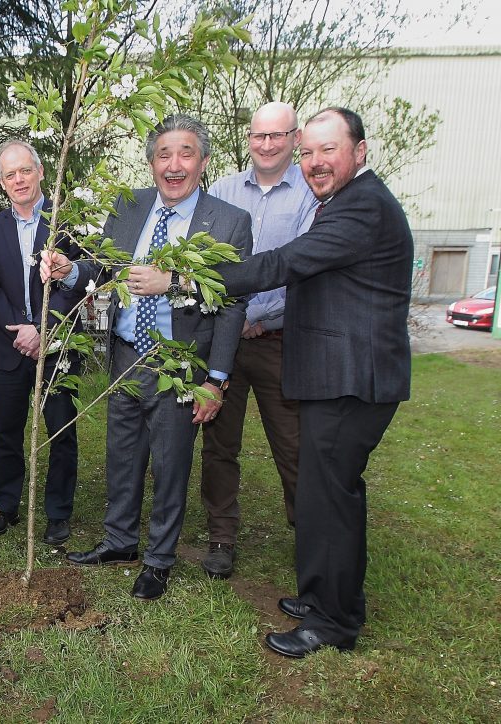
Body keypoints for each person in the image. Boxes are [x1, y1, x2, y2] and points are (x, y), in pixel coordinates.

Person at [152, 108, 413, 657]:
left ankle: (331, 621)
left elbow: (283, 264)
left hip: (350, 381)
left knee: (328, 498)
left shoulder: (361, 208)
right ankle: (332, 599)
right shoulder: (345, 202)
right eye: (312, 152)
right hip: (336, 377)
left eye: (328, 150)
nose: (316, 162)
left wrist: (182, 277)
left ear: (359, 152)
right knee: (330, 495)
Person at [41, 114, 252, 600]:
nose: (173, 165)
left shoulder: (227, 222)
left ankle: (158, 559)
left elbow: (231, 300)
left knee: (170, 462)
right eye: (163, 155)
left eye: (185, 154)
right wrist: (72, 269)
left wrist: (215, 378)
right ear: (151, 161)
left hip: (179, 366)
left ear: (203, 161)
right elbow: (106, 269)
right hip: (126, 356)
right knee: (123, 454)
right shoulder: (129, 206)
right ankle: (119, 542)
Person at [198, 102, 319, 579]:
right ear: (248, 138)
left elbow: (305, 269)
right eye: (259, 136)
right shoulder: (223, 191)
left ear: (294, 137)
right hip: (222, 343)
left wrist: (255, 315)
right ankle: (221, 536)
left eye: (277, 135)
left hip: (277, 341)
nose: (267, 145)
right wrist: (232, 320)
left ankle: (310, 536)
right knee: (219, 443)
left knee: (292, 445)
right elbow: (206, 266)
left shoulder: (311, 195)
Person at [0, 139, 82, 545]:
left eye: (25, 170)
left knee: (60, 431)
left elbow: (80, 281)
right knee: (7, 432)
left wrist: (44, 329)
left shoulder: (66, 222)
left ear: (40, 172)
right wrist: (21, 328)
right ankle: (5, 506)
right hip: (9, 347)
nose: (18, 179)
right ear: (1, 183)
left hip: (57, 345)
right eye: (10, 174)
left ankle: (57, 513)